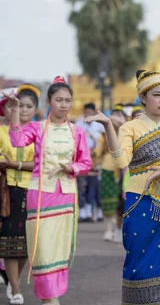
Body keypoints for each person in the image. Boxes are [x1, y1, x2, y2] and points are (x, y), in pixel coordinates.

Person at [86, 70, 160, 305]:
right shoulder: (131, 128)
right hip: (140, 202)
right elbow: (121, 161)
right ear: (143, 97)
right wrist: (109, 126)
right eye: (156, 95)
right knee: (139, 261)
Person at [7, 77, 92, 304]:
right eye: (59, 100)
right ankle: (47, 297)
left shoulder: (77, 132)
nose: (64, 105)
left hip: (65, 192)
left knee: (60, 244)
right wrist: (15, 112)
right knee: (42, 244)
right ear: (49, 101)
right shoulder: (37, 127)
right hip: (40, 191)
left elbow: (85, 163)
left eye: (67, 100)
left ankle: (53, 294)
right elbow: (16, 141)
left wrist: (69, 167)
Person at [0, 84, 39, 305]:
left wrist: (13, 163)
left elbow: (40, 165)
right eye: (19, 106)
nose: (23, 110)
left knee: (26, 243)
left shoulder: (39, 132)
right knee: (9, 240)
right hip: (8, 191)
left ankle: (12, 279)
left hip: (33, 190)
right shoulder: (2, 131)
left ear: (35, 109)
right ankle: (15, 286)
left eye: (28, 106)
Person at [99, 106, 127, 241]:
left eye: (119, 115)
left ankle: (118, 229)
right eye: (114, 114)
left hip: (123, 170)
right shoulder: (104, 134)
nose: (116, 117)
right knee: (107, 200)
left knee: (120, 203)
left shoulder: (127, 130)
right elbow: (99, 151)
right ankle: (108, 229)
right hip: (108, 169)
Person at [76, 103, 103, 223]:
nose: (88, 114)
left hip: (96, 161)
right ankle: (82, 212)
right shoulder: (78, 125)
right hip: (81, 159)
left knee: (93, 187)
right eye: (86, 111)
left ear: (94, 113)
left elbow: (104, 143)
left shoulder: (100, 126)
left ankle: (90, 210)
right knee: (81, 186)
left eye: (90, 112)